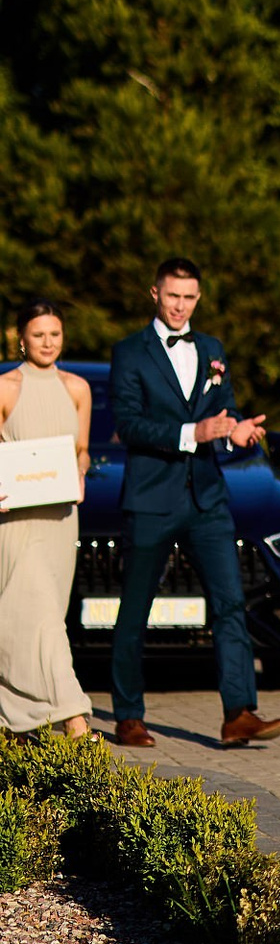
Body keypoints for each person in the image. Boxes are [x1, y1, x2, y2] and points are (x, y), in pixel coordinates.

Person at [107, 257, 280, 749]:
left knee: (230, 603)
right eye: (173, 296)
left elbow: (222, 414)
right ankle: (128, 716)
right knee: (135, 610)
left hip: (207, 498)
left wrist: (235, 433)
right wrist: (195, 432)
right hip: (152, 498)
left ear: (199, 298)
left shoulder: (212, 349)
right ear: (155, 294)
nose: (180, 307)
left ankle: (239, 713)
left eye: (189, 298)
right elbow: (129, 425)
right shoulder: (130, 352)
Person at [0, 300, 96, 739]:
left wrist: (81, 473)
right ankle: (74, 716)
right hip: (16, 523)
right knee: (37, 617)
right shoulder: (5, 388)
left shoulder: (78, 388)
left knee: (40, 618)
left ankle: (16, 723)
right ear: (21, 338)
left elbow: (82, 450)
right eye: (38, 335)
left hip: (60, 519)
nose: (47, 343)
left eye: (54, 334)